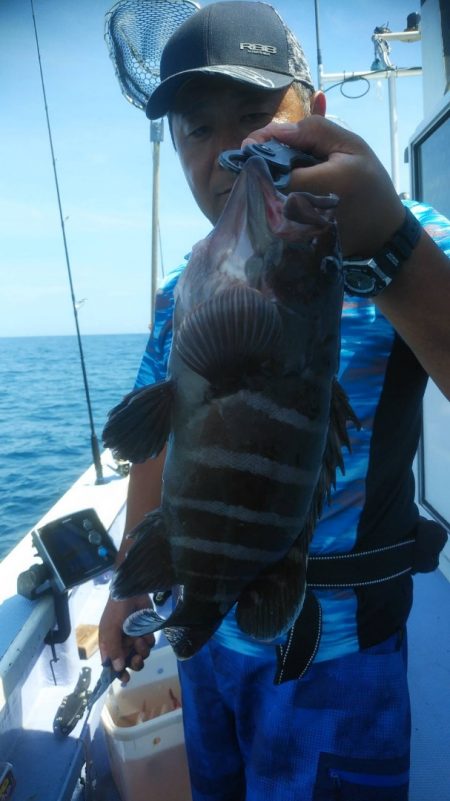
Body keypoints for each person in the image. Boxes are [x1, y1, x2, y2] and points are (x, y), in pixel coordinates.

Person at [99, 3, 450, 799]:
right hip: (207, 639)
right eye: (198, 128)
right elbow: (157, 440)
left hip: (340, 658)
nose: (229, 149)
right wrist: (130, 584)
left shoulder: (413, 238)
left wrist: (389, 245)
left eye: (256, 113)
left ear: (313, 112)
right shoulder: (182, 284)